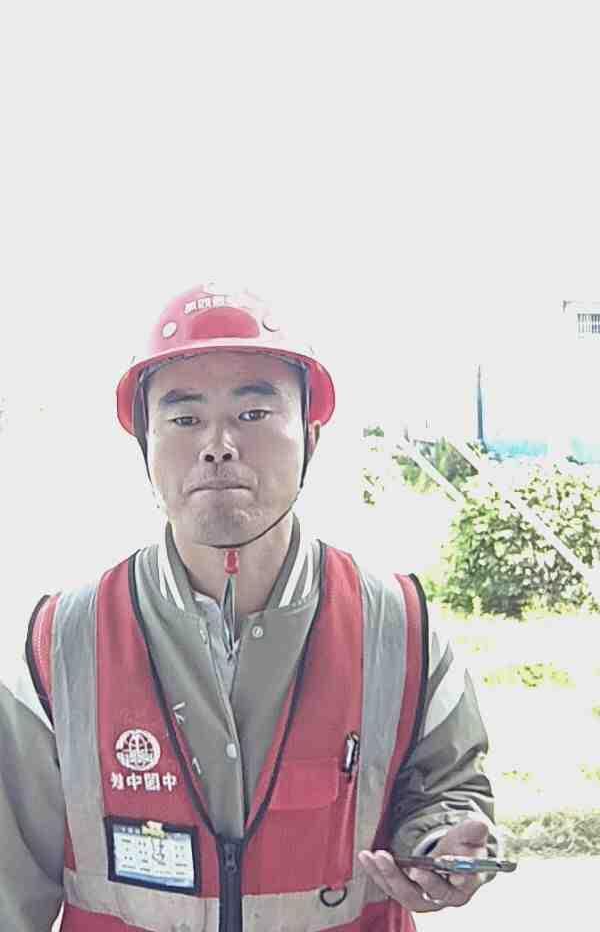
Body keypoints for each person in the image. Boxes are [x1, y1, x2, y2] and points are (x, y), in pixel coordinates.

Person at [0, 283, 499, 932]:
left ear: (311, 436)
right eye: (184, 419)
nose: (218, 445)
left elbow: (447, 790)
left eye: (254, 413)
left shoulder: (398, 626)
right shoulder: (61, 643)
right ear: (144, 442)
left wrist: (440, 845)